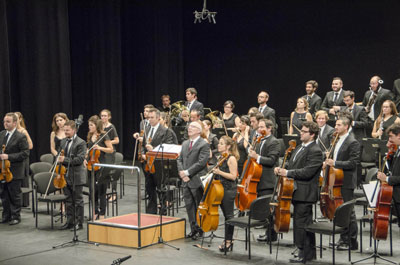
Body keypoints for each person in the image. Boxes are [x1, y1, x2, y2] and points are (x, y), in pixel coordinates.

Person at [274, 121, 323, 263]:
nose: (300, 133)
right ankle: (307, 252)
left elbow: (307, 172)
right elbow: (294, 164)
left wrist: (287, 172)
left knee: (302, 224)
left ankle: (304, 252)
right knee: (301, 223)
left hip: (306, 193)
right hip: (297, 191)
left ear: (312, 134)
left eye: (304, 131)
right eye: (301, 130)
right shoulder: (300, 147)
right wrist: (281, 168)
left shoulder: (315, 150)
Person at [325, 115, 360, 251]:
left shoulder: (353, 142)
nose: (336, 127)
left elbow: (354, 162)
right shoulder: (336, 140)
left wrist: (335, 163)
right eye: (336, 124)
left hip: (346, 180)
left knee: (348, 211)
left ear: (346, 126)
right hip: (337, 179)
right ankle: (342, 238)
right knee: (339, 210)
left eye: (339, 125)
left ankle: (351, 242)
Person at [247, 119, 280, 243]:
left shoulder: (274, 142)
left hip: (268, 180)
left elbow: (271, 160)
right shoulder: (259, 140)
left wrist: (257, 157)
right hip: (257, 178)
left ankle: (272, 234)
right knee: (264, 208)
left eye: (262, 127)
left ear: (269, 128)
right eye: (258, 127)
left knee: (269, 209)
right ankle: (268, 232)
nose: (259, 129)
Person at [177, 121, 210, 240]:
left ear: (199, 130)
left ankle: (200, 229)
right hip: (185, 180)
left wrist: (187, 172)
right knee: (189, 205)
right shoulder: (185, 143)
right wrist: (182, 173)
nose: (189, 128)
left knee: (197, 205)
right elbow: (179, 159)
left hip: (196, 179)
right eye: (189, 126)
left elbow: (201, 163)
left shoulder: (203, 144)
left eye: (193, 127)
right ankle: (193, 229)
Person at [138, 108, 174, 214]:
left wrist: (153, 150)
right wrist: (143, 154)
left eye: (152, 118)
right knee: (149, 188)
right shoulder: (147, 129)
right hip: (148, 164)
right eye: (148, 118)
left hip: (159, 164)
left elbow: (168, 147)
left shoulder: (166, 131)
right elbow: (143, 145)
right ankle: (151, 211)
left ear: (158, 118)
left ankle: (163, 211)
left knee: (161, 189)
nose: (149, 120)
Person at [0, 113, 30, 225]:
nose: (5, 123)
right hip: (2, 170)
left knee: (14, 194)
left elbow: (25, 153)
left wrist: (9, 157)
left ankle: (16, 216)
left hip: (15, 170)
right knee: (4, 194)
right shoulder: (2, 134)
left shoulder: (20, 136)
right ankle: (6, 215)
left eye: (8, 121)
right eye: (4, 121)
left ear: (14, 123)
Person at [211, 136, 239, 252]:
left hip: (229, 190)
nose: (219, 145)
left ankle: (228, 241)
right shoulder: (221, 157)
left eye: (221, 143)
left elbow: (233, 176)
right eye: (219, 143)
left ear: (228, 146)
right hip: (221, 189)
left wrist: (219, 172)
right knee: (226, 216)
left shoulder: (231, 158)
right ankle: (227, 240)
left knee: (229, 216)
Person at [58, 120, 87, 230]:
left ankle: (79, 223)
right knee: (68, 200)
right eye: (64, 130)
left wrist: (64, 159)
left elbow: (79, 159)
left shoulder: (81, 142)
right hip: (65, 175)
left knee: (78, 200)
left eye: (68, 130)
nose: (65, 132)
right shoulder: (63, 141)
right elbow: (59, 155)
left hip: (77, 175)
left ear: (74, 130)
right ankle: (70, 222)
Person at [86, 116, 114, 220]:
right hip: (91, 165)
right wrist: (85, 157)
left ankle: (102, 213)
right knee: (92, 191)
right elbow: (88, 149)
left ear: (96, 126)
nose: (89, 127)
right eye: (89, 125)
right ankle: (95, 211)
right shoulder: (90, 135)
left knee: (102, 191)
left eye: (91, 125)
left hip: (101, 165)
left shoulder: (103, 135)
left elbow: (111, 149)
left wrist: (100, 147)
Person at [377, 123, 400, 225]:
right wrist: (389, 154)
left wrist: (387, 179)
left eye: (391, 136)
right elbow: (393, 169)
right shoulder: (397, 150)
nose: (389, 140)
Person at [14, 112, 33, 207]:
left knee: (23, 178)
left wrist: (20, 148)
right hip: (14, 159)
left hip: (23, 158)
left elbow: (30, 145)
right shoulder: (11, 132)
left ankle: (24, 202)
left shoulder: (23, 131)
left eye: (16, 118)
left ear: (20, 119)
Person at [100, 109, 119, 200]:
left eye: (105, 116)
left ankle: (114, 193)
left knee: (111, 173)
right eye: (102, 116)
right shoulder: (99, 127)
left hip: (110, 152)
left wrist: (107, 142)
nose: (103, 117)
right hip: (102, 152)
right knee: (102, 173)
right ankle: (103, 193)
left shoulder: (111, 127)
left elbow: (117, 140)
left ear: (109, 117)